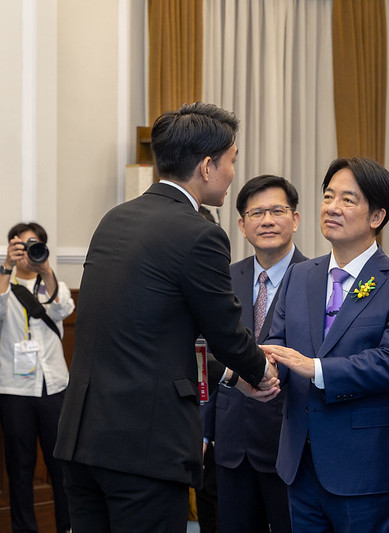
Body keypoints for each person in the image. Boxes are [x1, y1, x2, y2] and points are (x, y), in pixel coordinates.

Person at [54, 102, 279, 533]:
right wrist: (261, 372)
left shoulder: (114, 219)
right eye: (232, 161)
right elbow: (226, 333)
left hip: (83, 438)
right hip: (145, 445)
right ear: (209, 166)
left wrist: (232, 378)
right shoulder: (199, 233)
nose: (234, 173)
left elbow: (147, 336)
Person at [263, 157, 389, 532]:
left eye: (348, 200)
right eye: (327, 196)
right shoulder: (300, 276)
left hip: (365, 468)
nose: (332, 208)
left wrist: (314, 368)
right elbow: (277, 342)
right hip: (299, 462)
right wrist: (264, 374)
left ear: (376, 216)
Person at [204, 175, 306, 533]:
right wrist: (203, 432)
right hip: (231, 443)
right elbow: (205, 355)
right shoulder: (222, 278)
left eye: (277, 211)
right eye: (256, 213)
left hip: (290, 444)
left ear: (295, 219)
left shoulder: (317, 278)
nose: (267, 220)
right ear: (242, 225)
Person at [0, 222, 74, 533]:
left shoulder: (52, 284)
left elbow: (64, 309)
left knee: (62, 468)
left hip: (55, 386)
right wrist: (5, 268)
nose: (29, 251)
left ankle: (67, 528)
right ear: (12, 248)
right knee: (19, 469)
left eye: (35, 244)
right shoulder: (5, 284)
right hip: (15, 390)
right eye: (22, 245)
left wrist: (46, 271)